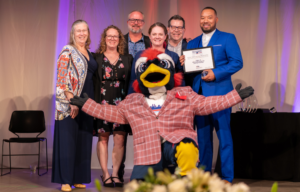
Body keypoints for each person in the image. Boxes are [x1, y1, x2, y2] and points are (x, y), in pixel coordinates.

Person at [69, 48, 253, 181]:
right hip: (148, 152)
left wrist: (234, 96)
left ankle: (186, 181)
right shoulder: (133, 101)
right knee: (140, 186)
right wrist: (86, 104)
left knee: (188, 148)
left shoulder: (184, 94)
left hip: (177, 145)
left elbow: (207, 104)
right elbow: (108, 111)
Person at [180, 7, 243, 183]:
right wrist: (184, 64)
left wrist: (216, 73)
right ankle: (204, 177)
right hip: (199, 98)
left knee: (224, 138)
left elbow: (237, 62)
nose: (205, 21)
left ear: (216, 19)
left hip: (220, 96)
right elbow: (191, 71)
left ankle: (227, 177)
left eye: (209, 17)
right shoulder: (192, 43)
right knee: (203, 139)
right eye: (202, 18)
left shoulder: (227, 38)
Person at [52, 20, 97, 192]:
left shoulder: (89, 53)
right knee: (68, 141)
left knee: (83, 141)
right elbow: (62, 79)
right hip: (71, 103)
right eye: (78, 30)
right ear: (73, 33)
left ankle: (78, 177)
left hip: (87, 102)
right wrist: (72, 102)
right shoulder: (67, 50)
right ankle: (65, 180)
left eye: (84, 30)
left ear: (88, 32)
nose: (81, 33)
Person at [92, 25, 133, 188]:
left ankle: (116, 174)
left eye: (115, 36)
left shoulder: (128, 58)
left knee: (120, 139)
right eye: (109, 36)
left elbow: (131, 81)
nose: (112, 39)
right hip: (101, 103)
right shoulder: (96, 58)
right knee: (103, 138)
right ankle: (105, 173)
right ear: (104, 38)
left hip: (121, 104)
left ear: (119, 39)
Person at [117, 10, 151, 182]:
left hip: (144, 95)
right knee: (120, 135)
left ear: (143, 23)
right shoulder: (119, 41)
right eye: (133, 20)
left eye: (139, 20)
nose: (136, 23)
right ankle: (118, 174)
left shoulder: (150, 41)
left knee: (143, 136)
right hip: (121, 92)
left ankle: (142, 175)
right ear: (128, 21)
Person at [128, 22, 184, 95]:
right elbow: (133, 80)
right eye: (154, 34)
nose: (157, 37)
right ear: (150, 36)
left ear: (165, 36)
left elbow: (181, 80)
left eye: (160, 34)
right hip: (145, 98)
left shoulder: (173, 56)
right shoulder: (140, 55)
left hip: (168, 98)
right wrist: (131, 99)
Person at [167, 15, 194, 87]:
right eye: (173, 27)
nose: (176, 30)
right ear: (168, 29)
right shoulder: (161, 46)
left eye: (179, 28)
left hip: (185, 88)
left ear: (184, 30)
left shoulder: (190, 46)